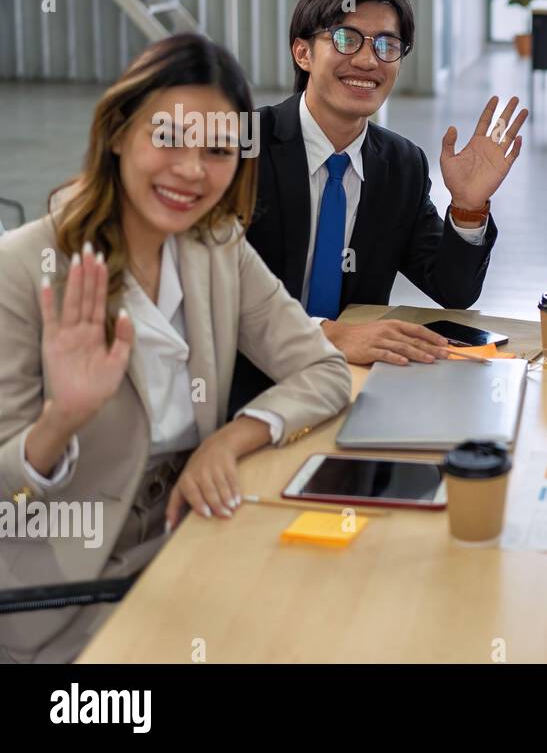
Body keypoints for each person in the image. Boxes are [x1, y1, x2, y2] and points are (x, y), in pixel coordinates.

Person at [0, 33, 352, 662]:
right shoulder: (24, 267)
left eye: (218, 149)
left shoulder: (214, 249)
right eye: (167, 138)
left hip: (193, 538)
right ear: (117, 134)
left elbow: (323, 370)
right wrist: (59, 424)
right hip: (60, 594)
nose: (193, 170)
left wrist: (229, 437)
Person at [231, 0, 527, 411]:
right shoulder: (240, 149)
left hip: (348, 387)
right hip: (243, 381)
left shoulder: (400, 164)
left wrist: (467, 207)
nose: (369, 61)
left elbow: (452, 290)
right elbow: (210, 292)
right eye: (348, 39)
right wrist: (328, 334)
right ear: (303, 52)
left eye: (387, 45)